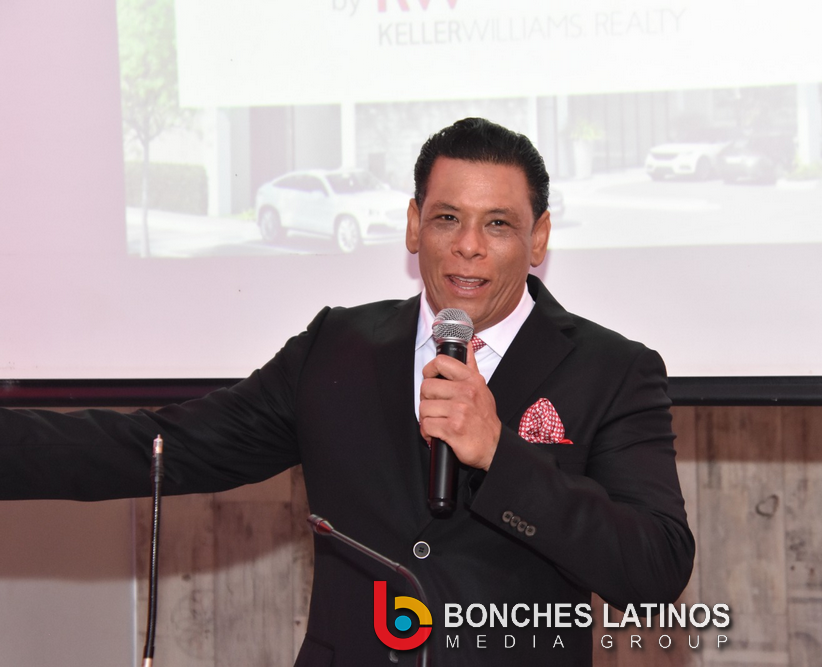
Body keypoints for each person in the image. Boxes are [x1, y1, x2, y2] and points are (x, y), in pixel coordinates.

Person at [0, 118, 694, 666]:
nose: (468, 246)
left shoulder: (611, 369)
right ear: (413, 224)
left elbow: (656, 567)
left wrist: (499, 454)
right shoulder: (337, 346)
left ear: (538, 238)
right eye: (447, 218)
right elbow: (163, 446)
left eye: (498, 223)